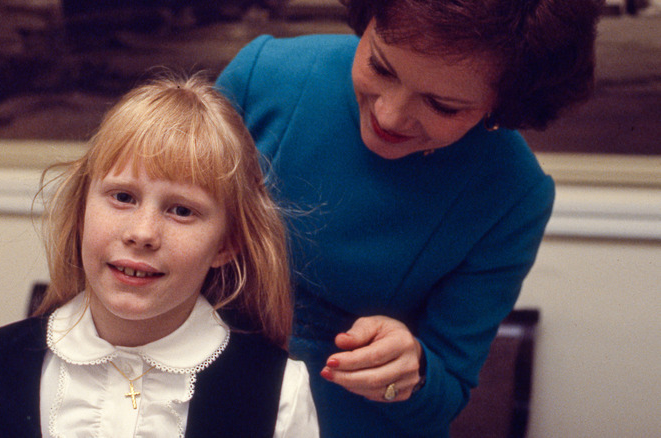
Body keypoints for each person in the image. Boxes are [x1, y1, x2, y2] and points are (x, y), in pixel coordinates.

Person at [216, 0, 603, 436]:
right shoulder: (263, 74)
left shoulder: (514, 194)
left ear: (503, 107)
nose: (389, 115)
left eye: (443, 105)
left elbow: (445, 395)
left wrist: (411, 369)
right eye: (380, 68)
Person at [0, 74, 319, 438]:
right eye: (123, 197)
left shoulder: (277, 393)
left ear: (225, 244)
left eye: (181, 210)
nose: (142, 234)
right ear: (81, 210)